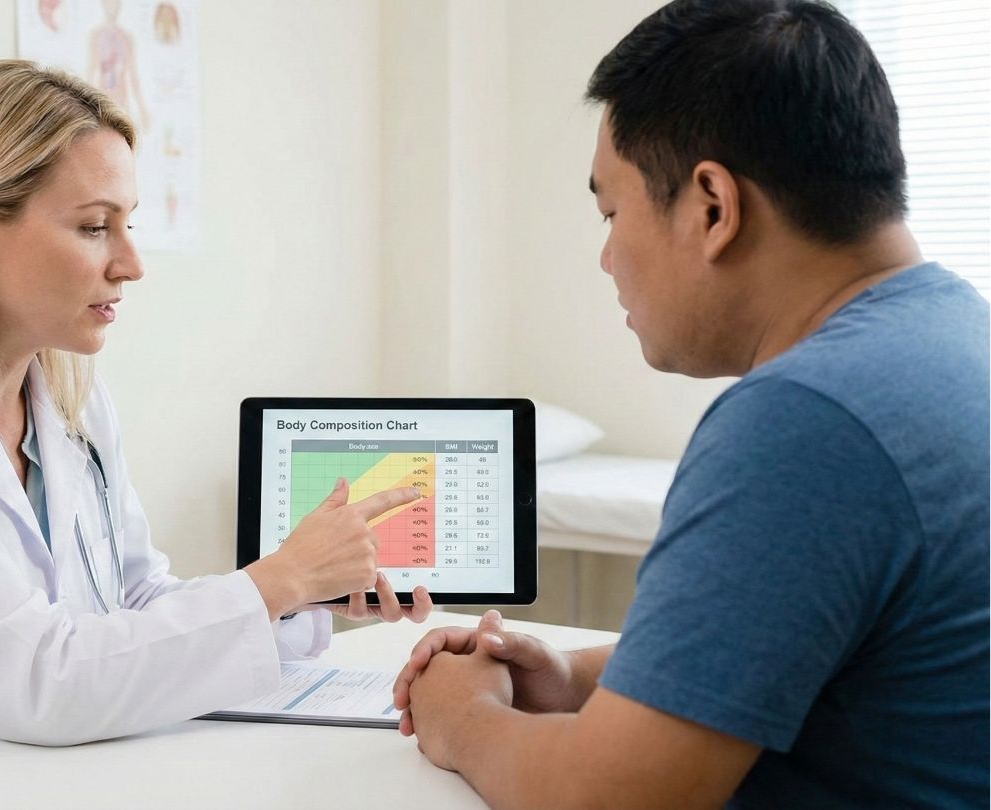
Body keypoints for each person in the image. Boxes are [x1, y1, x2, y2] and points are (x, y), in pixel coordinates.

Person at [392, 1, 990, 807]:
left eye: (612, 212)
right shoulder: (952, 334)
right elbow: (816, 643)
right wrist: (570, 676)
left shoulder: (804, 419)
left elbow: (611, 797)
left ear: (712, 205)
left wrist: (459, 715)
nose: (607, 258)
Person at [0, 59, 431, 753]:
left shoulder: (71, 403)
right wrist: (279, 578)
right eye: (96, 227)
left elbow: (135, 604)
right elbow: (38, 680)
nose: (131, 263)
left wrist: (305, 590)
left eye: (128, 225)